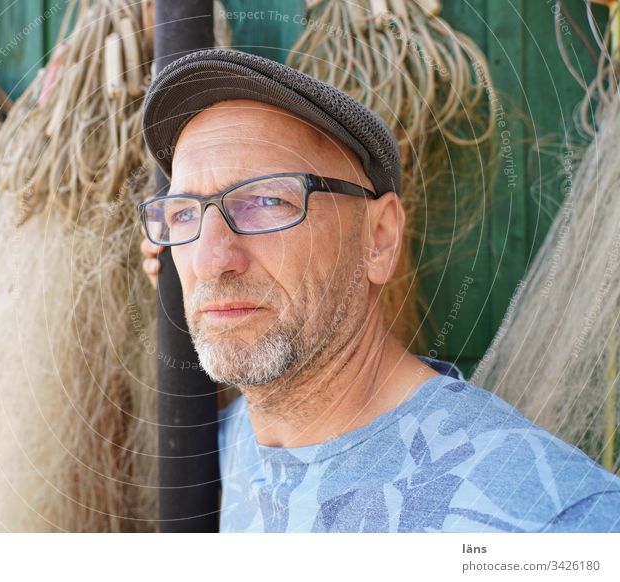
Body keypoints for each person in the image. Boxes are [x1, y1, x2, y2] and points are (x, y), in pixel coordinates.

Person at [138, 48, 620, 532]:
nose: (210, 260)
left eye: (266, 200)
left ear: (379, 237)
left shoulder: (554, 520)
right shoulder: (219, 450)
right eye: (184, 213)